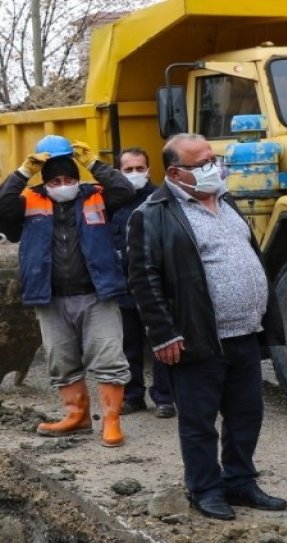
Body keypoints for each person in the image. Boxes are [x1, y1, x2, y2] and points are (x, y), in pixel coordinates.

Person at [126, 133, 286, 521]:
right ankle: (205, 488)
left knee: (246, 415)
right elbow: (144, 280)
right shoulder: (152, 214)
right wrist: (163, 333)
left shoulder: (226, 202)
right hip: (197, 338)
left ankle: (240, 481)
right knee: (199, 422)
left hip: (244, 333)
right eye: (203, 164)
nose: (214, 168)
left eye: (213, 159)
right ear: (177, 173)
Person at [0, 134, 134, 447]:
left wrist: (94, 163)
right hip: (50, 295)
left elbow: (125, 189)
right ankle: (77, 416)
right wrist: (22, 171)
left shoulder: (95, 193)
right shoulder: (30, 198)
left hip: (97, 294)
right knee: (61, 359)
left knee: (108, 357)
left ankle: (111, 421)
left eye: (69, 177)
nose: (63, 183)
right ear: (46, 181)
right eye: (55, 179)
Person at [110, 147, 175, 419]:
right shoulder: (112, 201)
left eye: (139, 168)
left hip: (155, 285)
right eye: (128, 169)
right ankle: (132, 395)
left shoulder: (161, 199)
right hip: (123, 284)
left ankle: (164, 397)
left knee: (161, 342)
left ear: (149, 170)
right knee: (129, 345)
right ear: (118, 172)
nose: (135, 174)